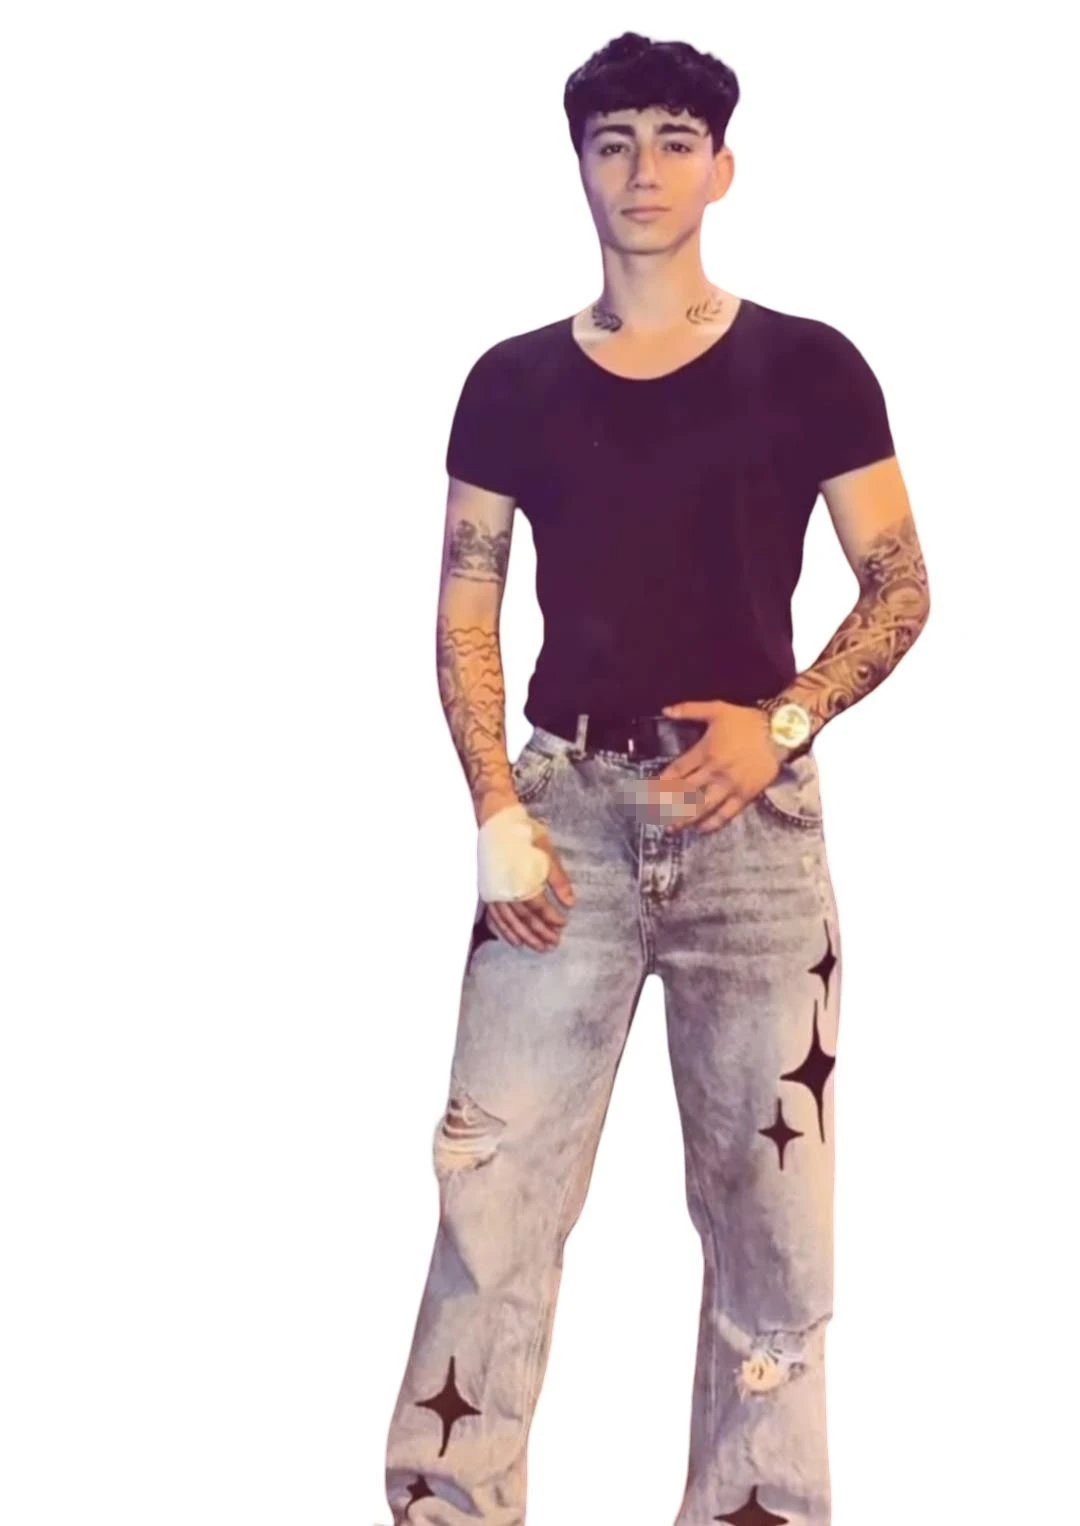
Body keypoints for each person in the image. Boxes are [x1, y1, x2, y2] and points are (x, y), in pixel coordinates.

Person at [380, 30, 930, 1526]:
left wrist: (786, 721)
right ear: (579, 166)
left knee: (773, 1226)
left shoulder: (811, 366)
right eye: (614, 140)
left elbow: (899, 583)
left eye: (676, 140)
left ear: (722, 169)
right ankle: (448, 1504)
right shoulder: (510, 382)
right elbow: (467, 607)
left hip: (753, 833)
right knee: (491, 1196)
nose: (643, 169)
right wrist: (494, 807)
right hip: (562, 824)